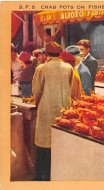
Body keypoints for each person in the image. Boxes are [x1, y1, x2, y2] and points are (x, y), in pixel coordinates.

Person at [32, 41, 73, 181]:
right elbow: (71, 88)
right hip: (64, 110)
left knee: (44, 145)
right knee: (61, 144)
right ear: (60, 53)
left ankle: (42, 177)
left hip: (46, 109)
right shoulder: (68, 67)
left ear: (47, 54)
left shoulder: (42, 68)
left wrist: (37, 104)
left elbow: (36, 91)